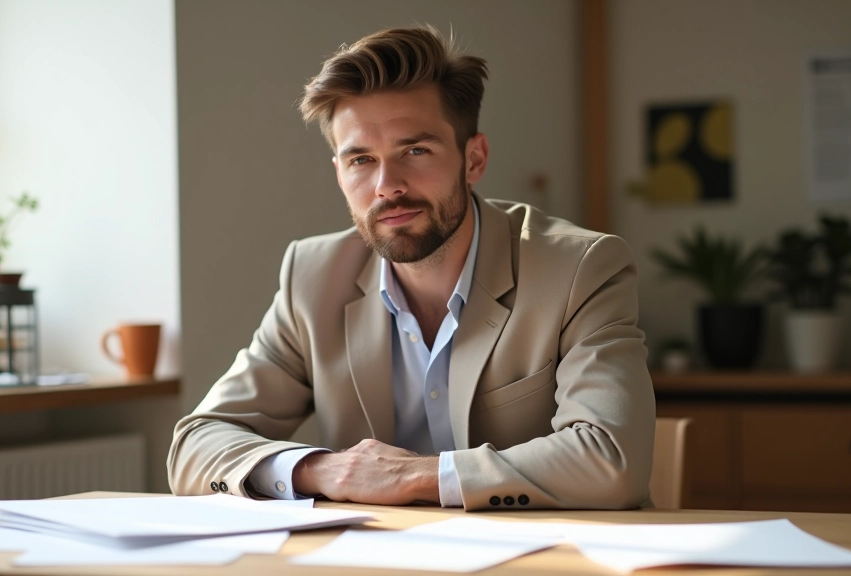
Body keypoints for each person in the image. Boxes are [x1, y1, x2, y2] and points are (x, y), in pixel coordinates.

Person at [168, 26, 655, 511]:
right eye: (361, 159)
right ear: (339, 172)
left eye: (415, 151)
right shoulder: (312, 276)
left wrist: (414, 476)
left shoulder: (579, 269)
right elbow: (195, 444)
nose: (387, 185)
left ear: (474, 158)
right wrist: (323, 469)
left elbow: (612, 461)